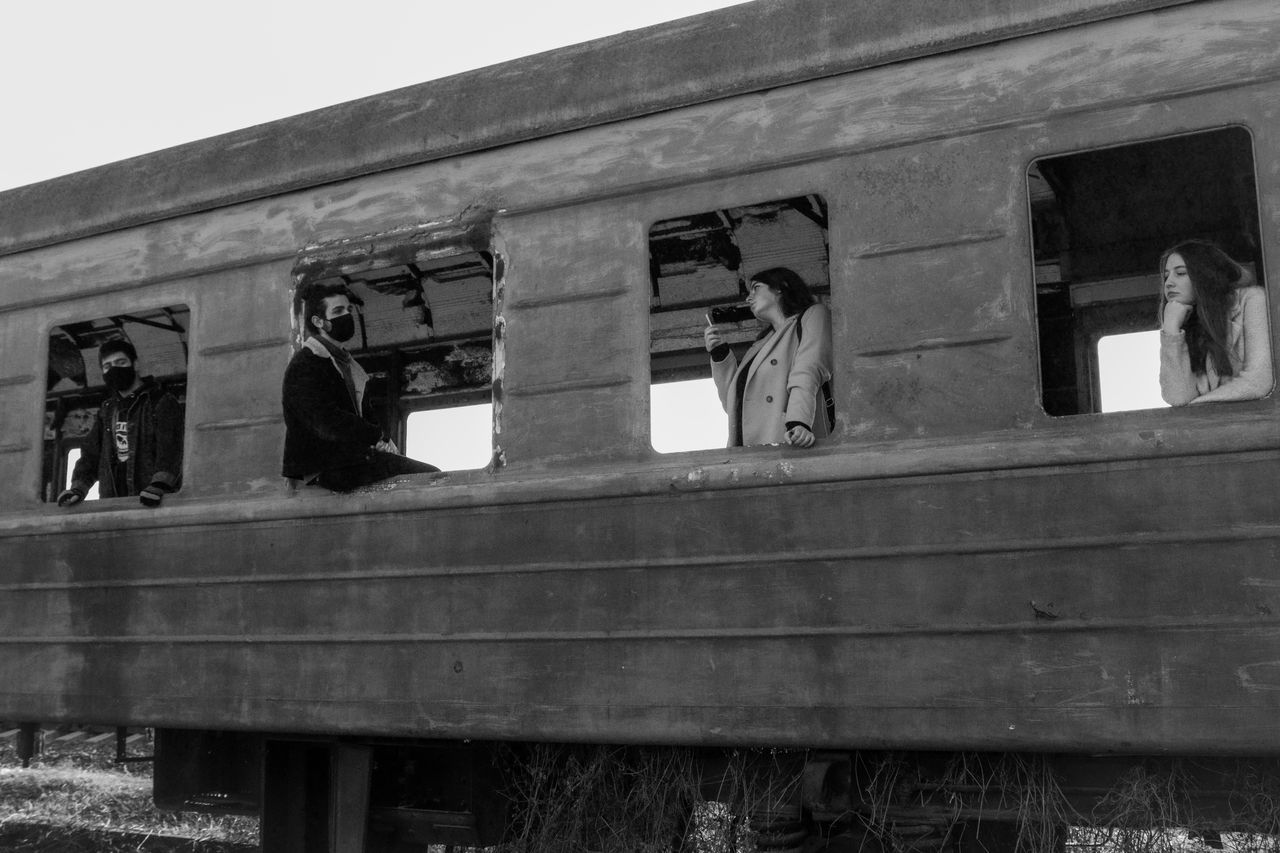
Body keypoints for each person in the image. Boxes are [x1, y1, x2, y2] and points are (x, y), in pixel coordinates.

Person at [282, 282, 439, 491]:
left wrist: (383, 442)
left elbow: (364, 418)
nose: (347, 316)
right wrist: (375, 436)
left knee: (427, 474)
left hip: (348, 461)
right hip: (323, 466)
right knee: (431, 478)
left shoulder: (349, 366)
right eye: (338, 311)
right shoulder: (306, 364)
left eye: (348, 310)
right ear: (318, 321)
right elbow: (324, 420)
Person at [704, 267, 834, 448]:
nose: (748, 298)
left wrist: (799, 423)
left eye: (756, 288)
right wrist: (719, 354)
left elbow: (809, 370)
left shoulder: (813, 315)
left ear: (780, 287)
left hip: (790, 439)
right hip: (744, 454)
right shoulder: (758, 346)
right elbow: (734, 406)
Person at [57, 339, 183, 507]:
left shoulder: (161, 402)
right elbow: (91, 455)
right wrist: (78, 489)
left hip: (154, 503)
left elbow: (171, 449)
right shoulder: (107, 409)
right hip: (113, 503)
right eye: (107, 366)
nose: (114, 369)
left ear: (136, 365)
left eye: (120, 362)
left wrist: (159, 486)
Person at [1159, 239, 1273, 406]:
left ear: (1205, 275)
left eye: (1181, 273)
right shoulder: (1188, 326)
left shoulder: (1252, 299)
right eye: (1166, 276)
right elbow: (1178, 397)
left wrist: (1196, 408)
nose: (1168, 283)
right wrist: (1171, 330)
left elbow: (1259, 380)